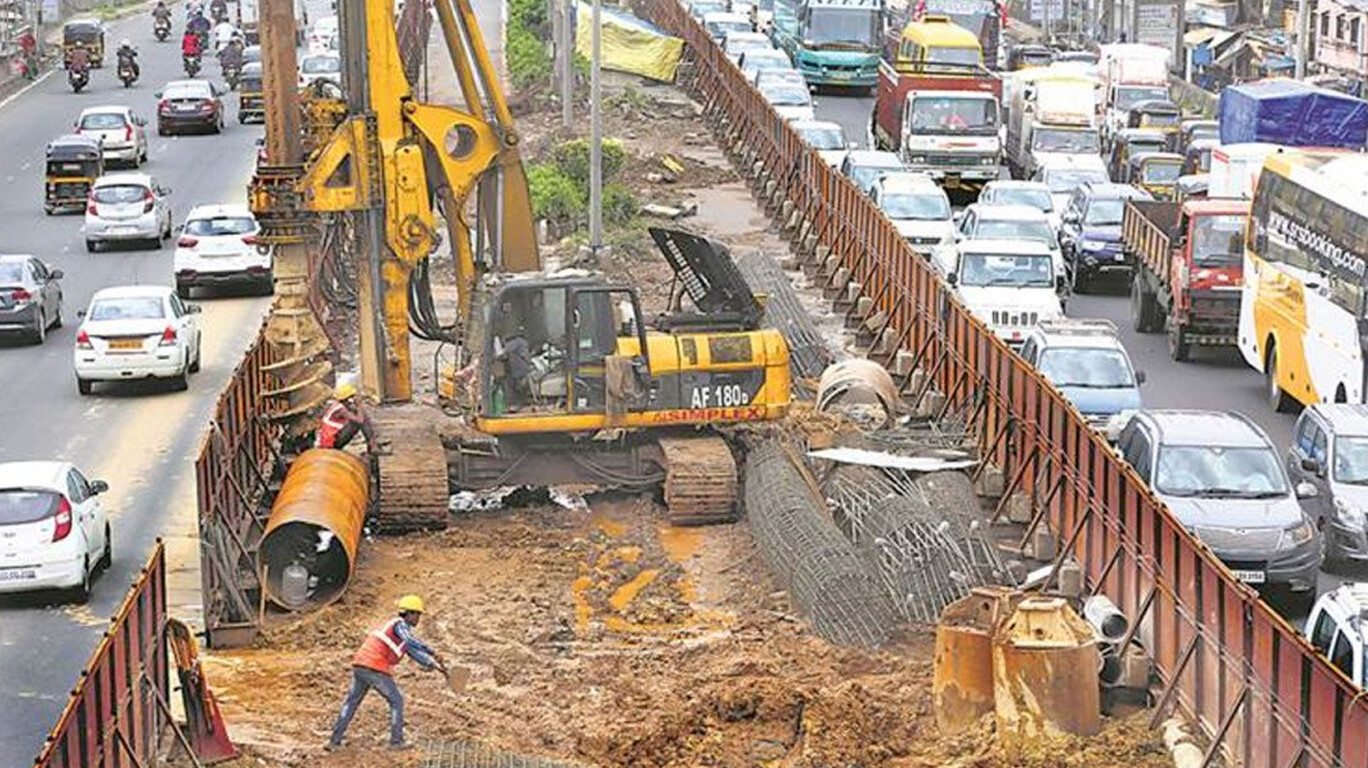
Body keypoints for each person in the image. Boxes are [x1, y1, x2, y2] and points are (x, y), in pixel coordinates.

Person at [326, 595, 447, 751]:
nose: (418, 618)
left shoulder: (399, 633)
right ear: (409, 613)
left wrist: (433, 664)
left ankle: (334, 741)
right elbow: (410, 641)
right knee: (397, 701)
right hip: (374, 667)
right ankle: (396, 742)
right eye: (417, 614)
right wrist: (431, 650)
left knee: (352, 702)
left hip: (361, 665)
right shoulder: (400, 625)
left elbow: (413, 652)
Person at [315, 383, 377, 450]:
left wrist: (359, 409)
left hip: (332, 438)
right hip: (331, 442)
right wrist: (359, 405)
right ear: (348, 398)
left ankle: (372, 443)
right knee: (357, 422)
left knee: (363, 416)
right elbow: (360, 420)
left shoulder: (341, 405)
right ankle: (372, 444)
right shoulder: (341, 409)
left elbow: (360, 415)